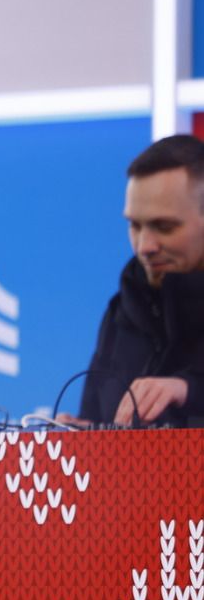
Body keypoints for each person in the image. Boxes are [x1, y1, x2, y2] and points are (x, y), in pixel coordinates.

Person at [74, 134, 204, 427]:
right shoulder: (122, 312)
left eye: (164, 227)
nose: (144, 245)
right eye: (135, 225)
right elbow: (95, 418)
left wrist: (188, 391)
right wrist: (84, 439)